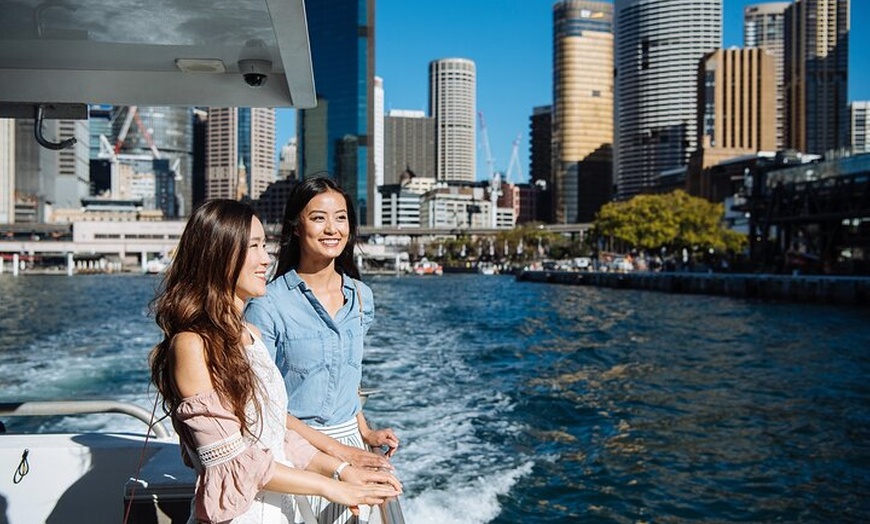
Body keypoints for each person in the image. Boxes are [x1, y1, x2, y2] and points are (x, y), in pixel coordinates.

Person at [149, 199, 401, 524]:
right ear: (219, 254)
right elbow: (234, 462)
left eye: (263, 245)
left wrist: (344, 471)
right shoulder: (191, 344)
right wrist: (331, 488)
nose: (265, 259)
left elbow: (277, 436)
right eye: (253, 246)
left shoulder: (249, 337)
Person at [245, 177, 399, 524]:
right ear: (296, 227)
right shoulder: (267, 304)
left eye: (341, 218)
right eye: (318, 218)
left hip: (351, 445)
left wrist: (364, 432)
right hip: (294, 451)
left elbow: (346, 376)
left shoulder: (361, 297)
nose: (332, 229)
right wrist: (337, 451)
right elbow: (261, 402)